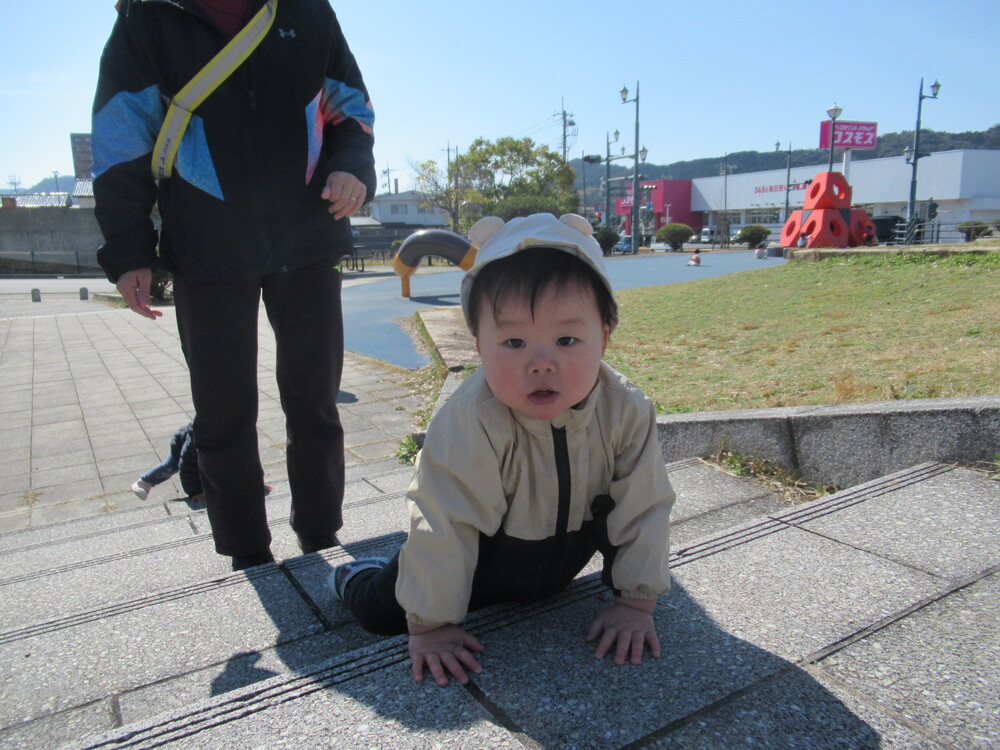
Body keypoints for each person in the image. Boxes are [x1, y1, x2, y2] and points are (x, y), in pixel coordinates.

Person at [329, 213, 675, 687]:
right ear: (478, 345)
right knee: (379, 614)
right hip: (474, 562)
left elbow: (644, 507)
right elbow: (444, 522)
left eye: (567, 340)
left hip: (558, 558)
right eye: (513, 341)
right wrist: (433, 626)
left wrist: (636, 602)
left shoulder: (626, 410)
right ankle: (354, 577)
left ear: (605, 339)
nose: (541, 364)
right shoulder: (472, 419)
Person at [92, 0, 376, 570]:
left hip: (308, 231)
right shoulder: (145, 19)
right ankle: (247, 552)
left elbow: (352, 108)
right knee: (221, 412)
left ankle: (321, 533)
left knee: (315, 400)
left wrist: (354, 168)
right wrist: (129, 252)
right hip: (205, 242)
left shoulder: (308, 9)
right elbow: (121, 140)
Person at [131, 421, 272, 503]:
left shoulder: (237, 434)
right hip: (182, 441)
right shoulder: (197, 438)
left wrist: (256, 483)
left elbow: (249, 460)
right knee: (171, 465)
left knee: (229, 462)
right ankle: (144, 482)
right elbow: (186, 465)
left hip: (211, 444)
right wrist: (196, 491)